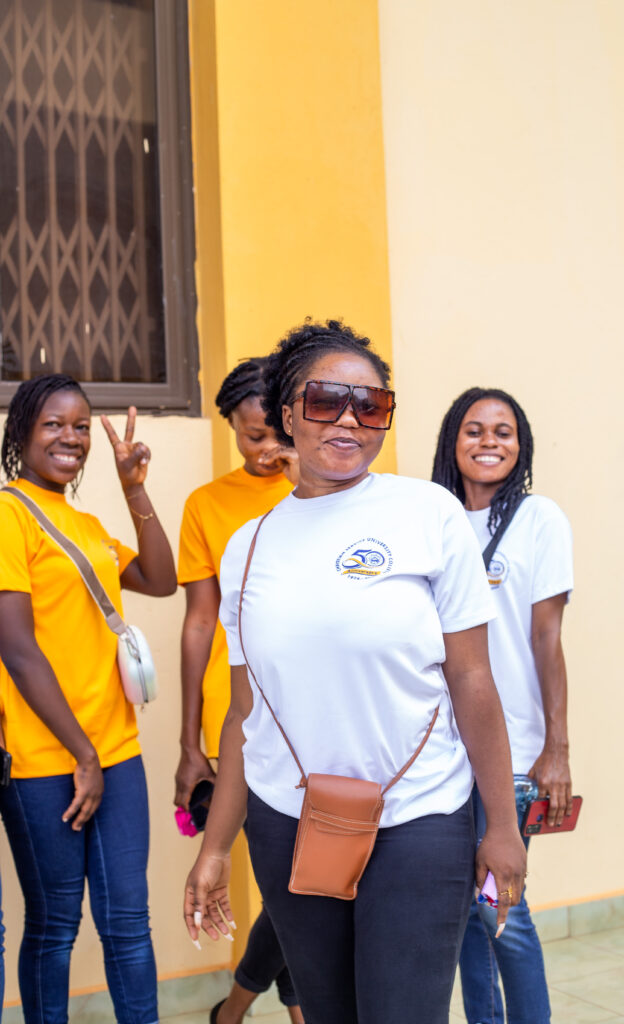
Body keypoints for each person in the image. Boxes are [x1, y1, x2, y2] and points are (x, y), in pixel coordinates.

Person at [183, 320, 527, 1024]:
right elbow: (246, 713)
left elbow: (472, 680)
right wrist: (214, 849)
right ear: (287, 415)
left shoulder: (427, 513)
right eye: (325, 401)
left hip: (420, 816)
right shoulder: (247, 546)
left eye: (370, 405)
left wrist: (502, 826)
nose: (348, 420)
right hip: (289, 820)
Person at [0, 373, 177, 1024]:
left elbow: (160, 578)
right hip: (46, 758)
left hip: (115, 749)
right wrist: (82, 753)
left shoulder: (88, 524)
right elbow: (18, 649)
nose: (70, 437)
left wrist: (135, 489)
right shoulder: (8, 515)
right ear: (21, 431)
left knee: (129, 922)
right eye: (53, 424)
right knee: (55, 926)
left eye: (80, 426)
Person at [432, 387, 574, 1024]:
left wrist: (556, 748)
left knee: (501, 909)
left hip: (510, 752)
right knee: (466, 913)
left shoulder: (539, 519)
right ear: (452, 441)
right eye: (474, 429)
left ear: (521, 446)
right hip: (440, 750)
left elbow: (546, 637)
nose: (489, 441)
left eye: (503, 431)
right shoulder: (433, 517)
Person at [174, 358, 302, 1024]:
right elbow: (200, 622)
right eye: (251, 437)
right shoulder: (207, 505)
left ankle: (233, 1009)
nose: (266, 450)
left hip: (324, 718)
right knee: (292, 883)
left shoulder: (326, 487)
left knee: (312, 883)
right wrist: (188, 741)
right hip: (244, 720)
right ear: (231, 427)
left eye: (276, 434)